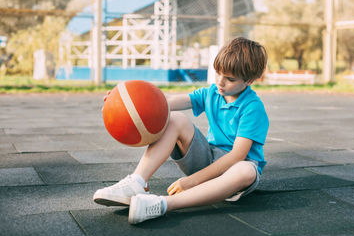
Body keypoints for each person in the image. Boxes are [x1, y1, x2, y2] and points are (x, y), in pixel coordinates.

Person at [93, 37, 269, 224]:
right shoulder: (212, 93)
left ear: (249, 80)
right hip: (208, 159)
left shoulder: (252, 108)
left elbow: (236, 156)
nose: (220, 82)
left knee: (247, 171)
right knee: (175, 118)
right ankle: (137, 182)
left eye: (230, 79)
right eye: (218, 73)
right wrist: (123, 104)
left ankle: (162, 204)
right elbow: (163, 104)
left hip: (233, 170)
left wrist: (192, 181)